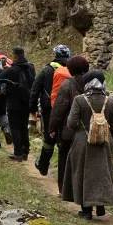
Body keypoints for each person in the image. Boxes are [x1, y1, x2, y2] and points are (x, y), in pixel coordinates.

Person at [61, 70, 113, 219]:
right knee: (100, 175)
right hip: (102, 143)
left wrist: (81, 127)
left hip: (82, 143)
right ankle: (100, 206)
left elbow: (71, 123)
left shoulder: (79, 100)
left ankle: (86, 211)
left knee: (82, 174)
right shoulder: (109, 101)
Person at [47, 55, 91, 189]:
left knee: (65, 158)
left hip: (69, 130)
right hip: (89, 129)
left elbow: (59, 108)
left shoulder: (67, 84)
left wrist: (52, 128)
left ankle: (65, 189)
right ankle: (84, 189)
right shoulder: (93, 83)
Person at [33, 45, 73, 176]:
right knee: (66, 140)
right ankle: (66, 172)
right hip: (70, 109)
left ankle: (43, 165)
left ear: (54, 55)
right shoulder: (73, 70)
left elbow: (35, 90)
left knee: (49, 138)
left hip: (49, 109)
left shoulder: (46, 70)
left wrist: (32, 109)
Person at [0, 45, 36, 161]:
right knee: (24, 127)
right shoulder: (30, 67)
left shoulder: (12, 70)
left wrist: (2, 69)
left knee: (15, 127)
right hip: (26, 102)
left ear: (14, 56)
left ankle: (17, 153)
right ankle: (25, 152)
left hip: (14, 102)